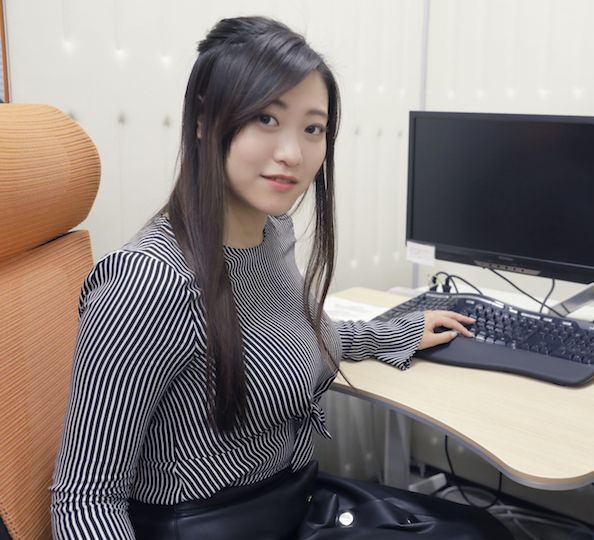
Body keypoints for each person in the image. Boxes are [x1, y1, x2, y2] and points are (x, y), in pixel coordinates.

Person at [49, 16, 512, 539]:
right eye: (266, 118)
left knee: (479, 528)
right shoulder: (148, 281)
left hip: (293, 501)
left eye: (312, 128)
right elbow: (83, 501)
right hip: (213, 525)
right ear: (202, 120)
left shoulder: (272, 233)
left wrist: (396, 333)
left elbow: (291, 336)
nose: (293, 153)